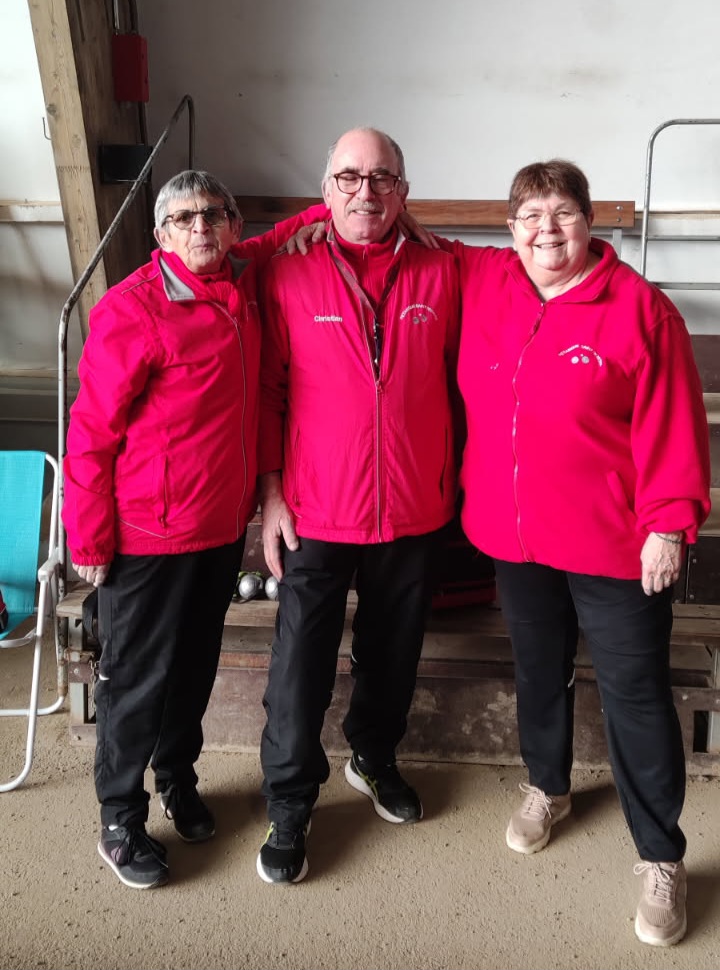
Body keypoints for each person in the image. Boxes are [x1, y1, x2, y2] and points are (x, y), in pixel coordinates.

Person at [435, 159, 710, 947]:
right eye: (530, 215)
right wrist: (303, 229)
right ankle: (547, 786)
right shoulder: (488, 281)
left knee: (635, 694)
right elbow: (393, 231)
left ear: (590, 222)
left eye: (562, 213)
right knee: (537, 670)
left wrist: (667, 525)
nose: (546, 230)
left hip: (616, 543)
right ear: (510, 229)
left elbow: (674, 422)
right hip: (515, 536)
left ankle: (660, 855)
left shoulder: (641, 310)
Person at [62, 170, 321, 890]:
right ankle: (120, 818)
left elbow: (287, 232)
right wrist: (88, 538)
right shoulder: (132, 308)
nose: (200, 226)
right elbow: (90, 433)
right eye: (183, 218)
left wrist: (343, 202)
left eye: (213, 214)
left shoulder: (241, 277)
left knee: (193, 670)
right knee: (135, 679)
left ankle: (177, 778)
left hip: (217, 531)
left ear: (233, 226)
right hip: (147, 536)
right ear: (160, 234)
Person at [255, 127, 461, 884]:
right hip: (315, 508)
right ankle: (289, 801)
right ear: (326, 188)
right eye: (349, 177)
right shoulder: (286, 273)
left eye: (382, 179)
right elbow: (268, 391)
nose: (364, 192)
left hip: (412, 505)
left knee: (393, 650)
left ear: (403, 191)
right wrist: (271, 495)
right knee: (299, 664)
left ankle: (373, 757)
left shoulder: (445, 270)